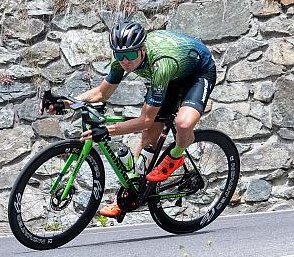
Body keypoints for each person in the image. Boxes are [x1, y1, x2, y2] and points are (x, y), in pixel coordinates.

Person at [46, 21, 217, 218]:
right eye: (119, 55)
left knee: (183, 123)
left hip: (198, 71)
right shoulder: (121, 61)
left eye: (130, 55)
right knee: (148, 137)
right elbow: (102, 93)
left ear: (142, 49)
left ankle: (176, 156)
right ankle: (132, 193)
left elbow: (144, 119)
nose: (125, 61)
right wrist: (65, 103)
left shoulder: (159, 64)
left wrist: (108, 131)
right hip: (168, 77)